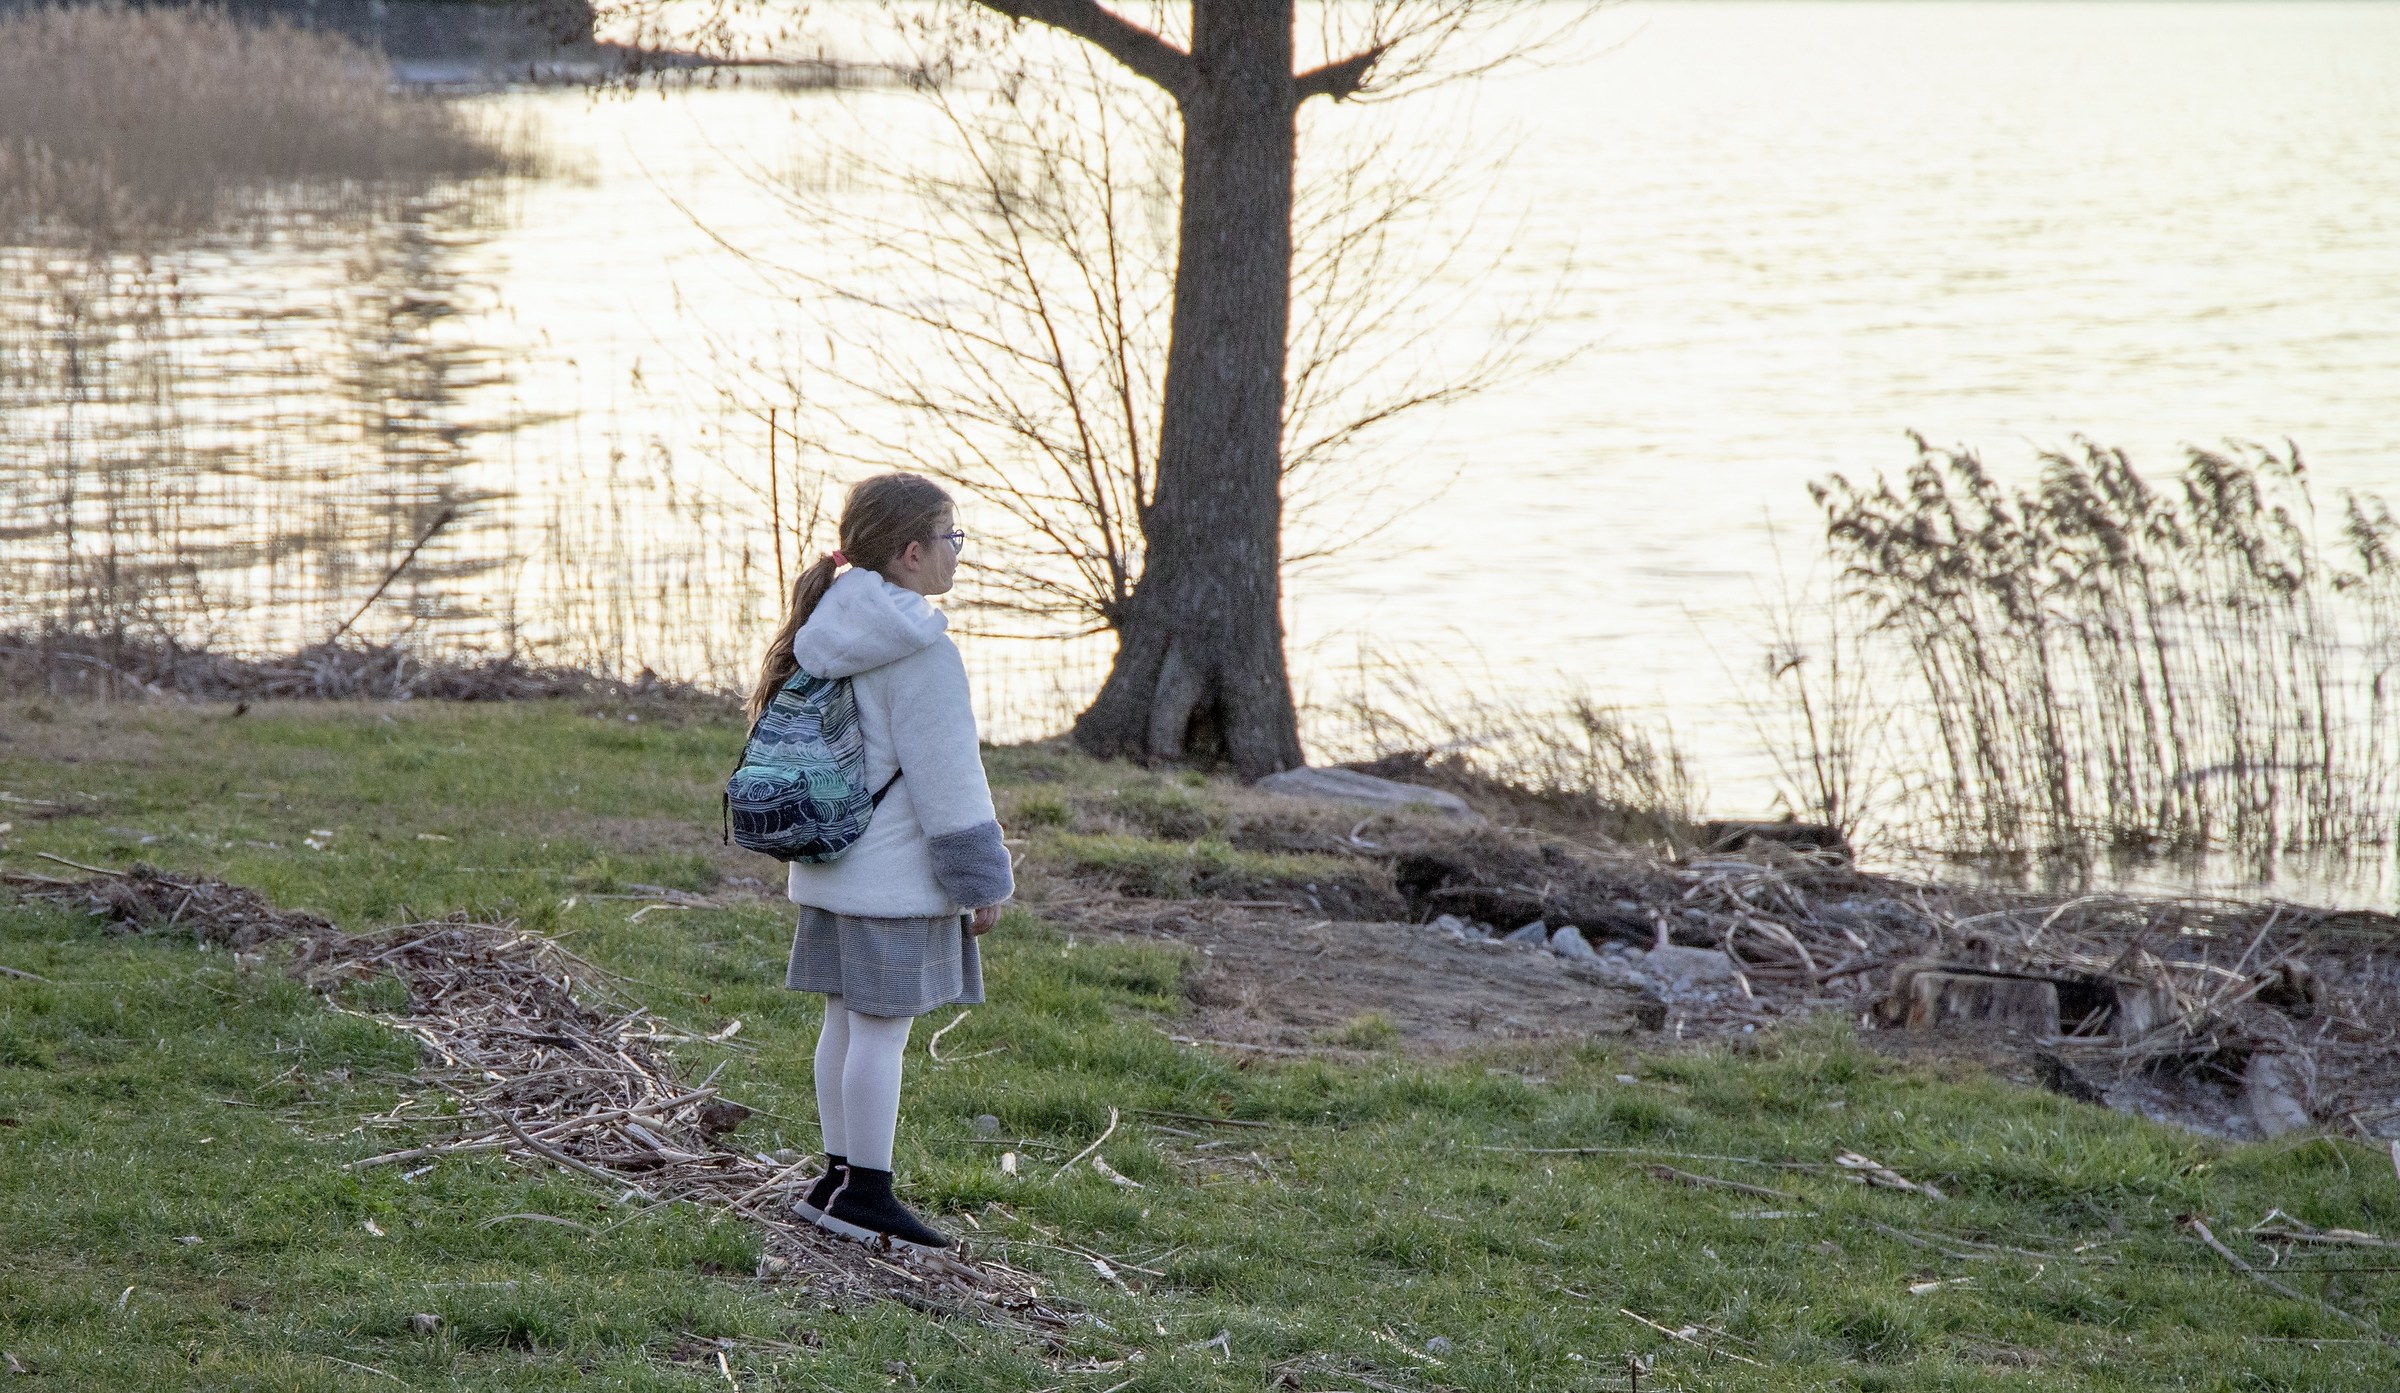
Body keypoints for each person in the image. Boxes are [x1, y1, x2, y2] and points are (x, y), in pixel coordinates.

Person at [746, 472, 1012, 1252]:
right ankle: (866, 1191)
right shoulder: (922, 652)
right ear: (908, 552)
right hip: (893, 878)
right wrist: (982, 881)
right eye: (949, 539)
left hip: (830, 861)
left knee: (844, 1023)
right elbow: (951, 782)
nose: (955, 555)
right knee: (880, 1034)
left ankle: (834, 1178)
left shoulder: (830, 619)